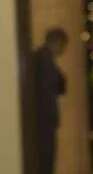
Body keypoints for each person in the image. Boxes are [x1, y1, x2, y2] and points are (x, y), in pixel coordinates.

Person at [33, 28, 68, 174]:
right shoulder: (45, 60)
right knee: (46, 159)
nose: (63, 50)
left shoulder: (43, 58)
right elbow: (56, 87)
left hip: (42, 119)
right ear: (57, 42)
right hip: (44, 119)